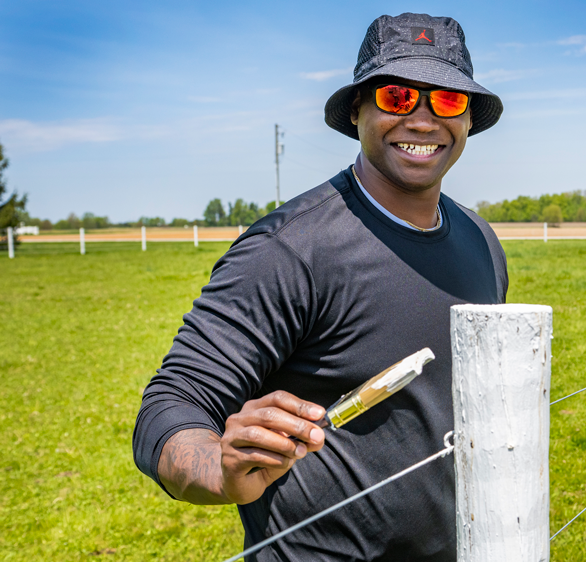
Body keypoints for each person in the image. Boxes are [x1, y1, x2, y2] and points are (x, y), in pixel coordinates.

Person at [132, 13, 507, 561]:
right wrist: (219, 469)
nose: (423, 121)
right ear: (357, 111)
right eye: (399, 96)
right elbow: (170, 406)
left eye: (447, 101)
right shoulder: (288, 249)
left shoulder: (480, 240)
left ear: (469, 119)